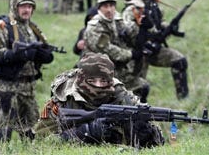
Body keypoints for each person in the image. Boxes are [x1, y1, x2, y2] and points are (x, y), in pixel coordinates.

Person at [34, 53, 165, 148]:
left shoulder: (125, 100)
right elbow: (39, 143)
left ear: (111, 81)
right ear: (81, 79)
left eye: (104, 81)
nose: (98, 86)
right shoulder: (62, 101)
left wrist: (147, 135)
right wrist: (82, 133)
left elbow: (159, 144)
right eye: (92, 81)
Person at [0, 0, 54, 148]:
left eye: (30, 6)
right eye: (23, 6)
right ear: (15, 7)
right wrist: (16, 55)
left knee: (34, 133)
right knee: (3, 132)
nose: (27, 10)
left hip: (28, 89)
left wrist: (43, 55)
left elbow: (43, 50)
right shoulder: (1, 27)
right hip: (5, 88)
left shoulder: (32, 29)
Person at [122, 0, 189, 99]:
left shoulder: (153, 4)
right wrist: (143, 31)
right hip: (138, 54)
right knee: (138, 88)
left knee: (180, 61)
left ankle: (183, 99)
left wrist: (169, 27)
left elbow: (158, 22)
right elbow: (127, 30)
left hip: (155, 48)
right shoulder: (132, 9)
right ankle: (137, 113)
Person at [82, 0, 150, 103]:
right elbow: (108, 50)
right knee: (118, 98)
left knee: (142, 87)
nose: (109, 10)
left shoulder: (117, 19)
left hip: (117, 69)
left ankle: (138, 114)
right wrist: (131, 54)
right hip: (99, 74)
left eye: (111, 5)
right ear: (99, 8)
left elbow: (130, 34)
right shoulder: (94, 27)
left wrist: (142, 27)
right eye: (105, 6)